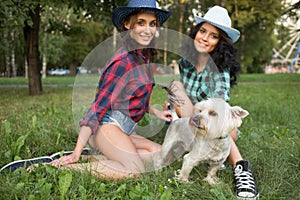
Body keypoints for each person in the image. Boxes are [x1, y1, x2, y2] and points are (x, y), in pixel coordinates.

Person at [50, 0, 172, 179]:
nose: (148, 30)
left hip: (125, 129)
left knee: (159, 155)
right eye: (141, 23)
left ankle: (97, 158)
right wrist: (76, 151)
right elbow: (97, 108)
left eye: (152, 24)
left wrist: (157, 112)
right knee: (134, 170)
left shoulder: (143, 56)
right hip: (107, 127)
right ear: (127, 24)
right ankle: (64, 167)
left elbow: (135, 99)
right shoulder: (123, 62)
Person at [165, 6, 259, 199]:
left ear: (220, 43)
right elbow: (184, 95)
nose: (205, 38)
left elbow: (220, 112)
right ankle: (197, 146)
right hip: (191, 116)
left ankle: (241, 169)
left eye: (213, 36)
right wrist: (174, 106)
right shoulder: (185, 62)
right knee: (175, 85)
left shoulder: (219, 71)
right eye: (202, 31)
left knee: (227, 132)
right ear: (196, 32)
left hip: (211, 123)